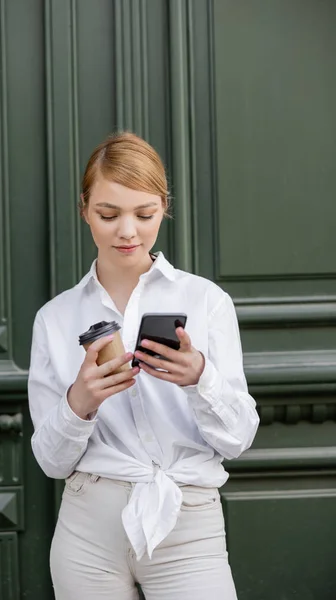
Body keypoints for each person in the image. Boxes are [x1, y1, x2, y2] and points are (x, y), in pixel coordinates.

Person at [28, 132, 259, 600]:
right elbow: (52, 464)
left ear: (164, 207)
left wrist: (199, 379)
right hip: (87, 531)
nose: (127, 231)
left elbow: (238, 439)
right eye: (108, 214)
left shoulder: (206, 301)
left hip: (187, 525)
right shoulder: (55, 318)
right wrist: (81, 401)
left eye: (144, 214)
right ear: (84, 209)